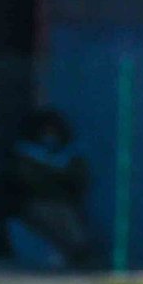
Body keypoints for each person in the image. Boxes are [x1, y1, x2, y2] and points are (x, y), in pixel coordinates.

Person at [5, 108, 95, 269]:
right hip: (35, 205)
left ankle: (77, 258)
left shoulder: (70, 155)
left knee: (75, 235)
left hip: (64, 205)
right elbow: (29, 181)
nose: (50, 136)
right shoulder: (26, 154)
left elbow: (80, 179)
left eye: (53, 131)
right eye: (46, 131)